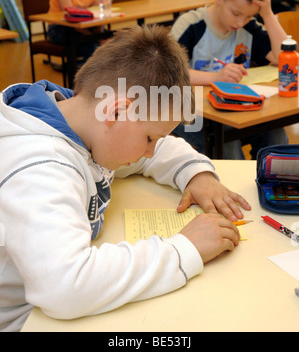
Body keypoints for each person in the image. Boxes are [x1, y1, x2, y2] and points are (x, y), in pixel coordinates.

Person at [0, 25, 251, 332]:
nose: (149, 152)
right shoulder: (39, 168)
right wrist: (184, 248)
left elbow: (160, 148)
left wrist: (196, 174)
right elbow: (65, 287)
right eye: (148, 138)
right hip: (23, 320)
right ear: (117, 112)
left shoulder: (79, 118)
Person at [170, 0, 289, 159]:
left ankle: (272, 185)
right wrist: (215, 77)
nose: (240, 22)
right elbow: (168, 72)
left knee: (274, 132)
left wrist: (267, 14)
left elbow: (284, 59)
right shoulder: (191, 25)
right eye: (235, 13)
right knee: (226, 139)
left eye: (249, 16)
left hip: (234, 108)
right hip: (187, 112)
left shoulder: (248, 27)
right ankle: (234, 188)